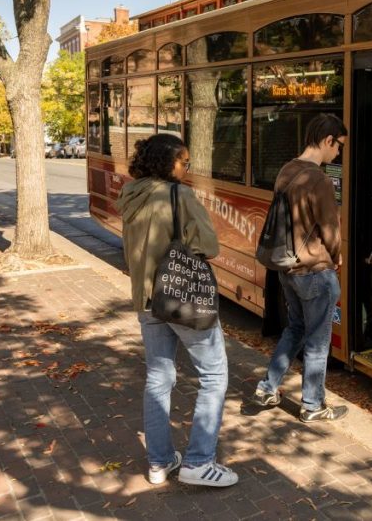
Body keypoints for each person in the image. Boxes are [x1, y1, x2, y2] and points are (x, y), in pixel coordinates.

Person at [116, 134, 237, 488]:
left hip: (147, 300)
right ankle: (200, 462)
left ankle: (160, 461)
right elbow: (207, 246)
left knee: (159, 378)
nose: (188, 167)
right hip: (181, 299)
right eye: (184, 161)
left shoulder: (130, 194)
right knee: (214, 375)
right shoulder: (178, 194)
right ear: (166, 162)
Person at [250, 113, 348, 422]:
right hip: (314, 269)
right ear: (327, 140)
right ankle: (312, 405)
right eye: (338, 146)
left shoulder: (287, 170)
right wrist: (338, 255)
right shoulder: (317, 178)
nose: (338, 154)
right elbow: (330, 227)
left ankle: (268, 386)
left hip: (287, 268)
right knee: (318, 342)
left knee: (295, 329)